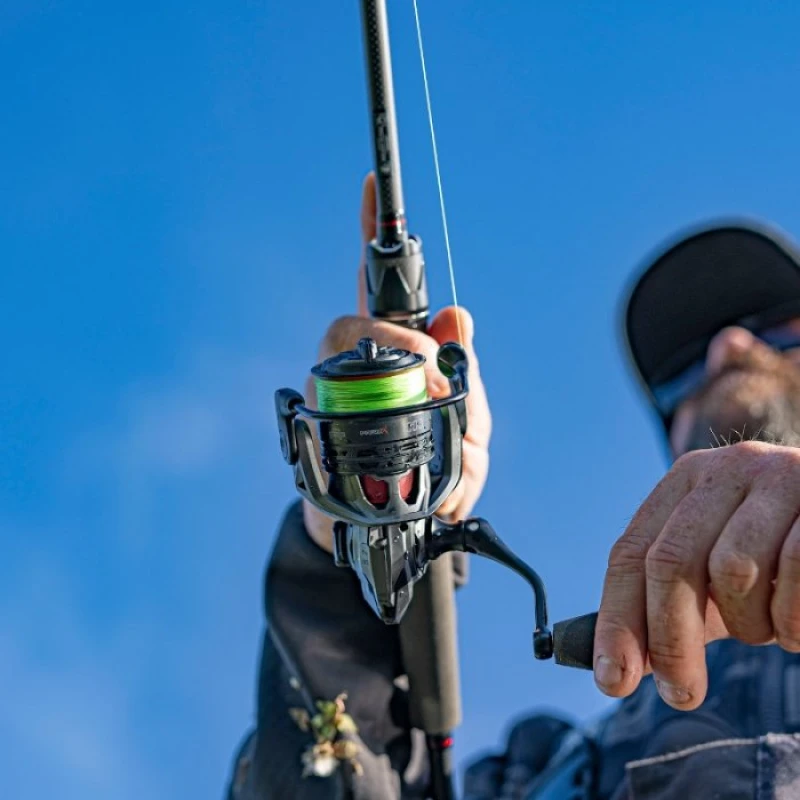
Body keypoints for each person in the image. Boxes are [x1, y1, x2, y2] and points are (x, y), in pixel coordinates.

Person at [226, 175, 800, 799]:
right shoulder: (536, 772)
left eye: (779, 327)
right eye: (682, 372)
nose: (728, 346)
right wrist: (354, 536)